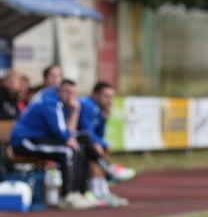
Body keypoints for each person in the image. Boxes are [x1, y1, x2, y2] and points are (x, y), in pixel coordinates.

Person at [11, 80, 94, 208]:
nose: (70, 96)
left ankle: (79, 193)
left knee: (80, 147)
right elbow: (61, 132)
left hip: (39, 139)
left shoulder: (63, 104)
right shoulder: (50, 102)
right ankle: (67, 196)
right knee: (67, 151)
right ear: (59, 91)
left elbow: (69, 132)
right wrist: (70, 138)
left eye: (73, 93)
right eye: (67, 92)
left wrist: (75, 110)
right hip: (25, 141)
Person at [77, 81, 134, 206]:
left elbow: (99, 135)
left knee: (98, 148)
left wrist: (104, 121)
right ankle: (99, 188)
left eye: (112, 97)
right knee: (95, 148)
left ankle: (103, 192)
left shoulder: (97, 109)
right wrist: (102, 144)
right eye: (106, 96)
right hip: (72, 141)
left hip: (82, 141)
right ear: (96, 95)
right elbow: (86, 132)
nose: (109, 101)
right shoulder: (87, 105)